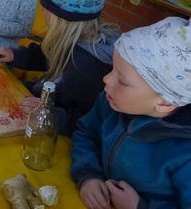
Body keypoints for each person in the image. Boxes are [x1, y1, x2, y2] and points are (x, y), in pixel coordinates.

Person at [71, 16, 191, 209]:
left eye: (123, 81)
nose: (107, 80)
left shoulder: (185, 154)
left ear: (166, 102)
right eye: (113, 69)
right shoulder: (111, 102)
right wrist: (87, 174)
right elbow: (87, 133)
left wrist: (139, 206)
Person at [0, 0, 120, 137]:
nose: (42, 12)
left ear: (59, 17)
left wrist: (49, 113)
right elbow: (50, 54)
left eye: (44, 8)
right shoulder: (74, 39)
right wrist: (17, 56)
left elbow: (87, 122)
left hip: (55, 132)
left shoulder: (86, 68)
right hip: (43, 101)